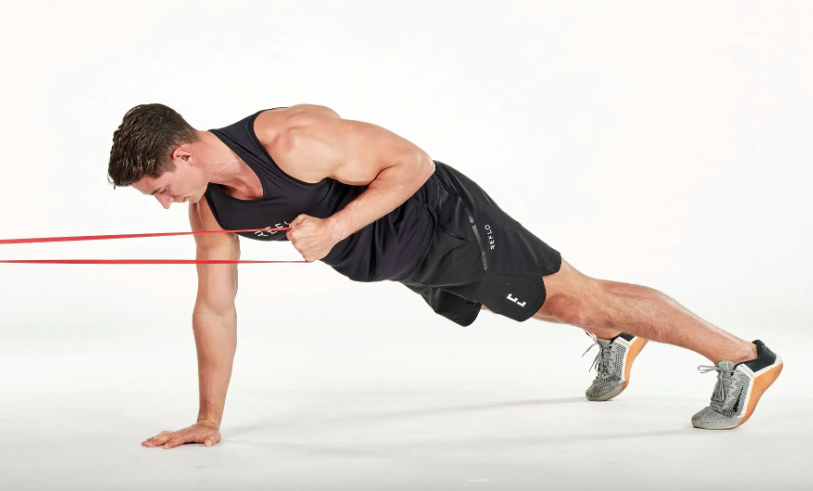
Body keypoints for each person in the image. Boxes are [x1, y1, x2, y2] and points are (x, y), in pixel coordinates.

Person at [107, 104, 782, 449]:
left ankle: (745, 358)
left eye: (161, 186)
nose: (166, 202)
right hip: (407, 259)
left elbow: (414, 163)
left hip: (443, 218)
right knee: (552, 302)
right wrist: (208, 417)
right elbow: (214, 309)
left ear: (184, 151)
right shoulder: (210, 208)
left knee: (582, 295)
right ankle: (614, 335)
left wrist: (334, 230)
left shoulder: (293, 138)